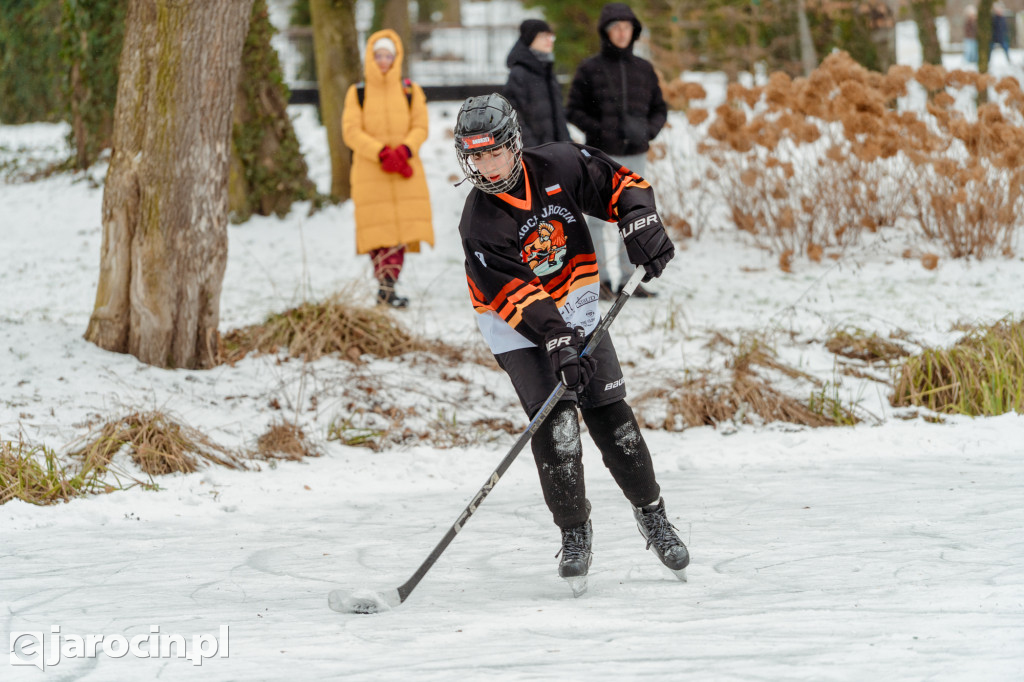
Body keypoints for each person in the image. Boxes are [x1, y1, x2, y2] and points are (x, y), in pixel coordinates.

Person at [453, 93, 687, 594]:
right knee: (556, 423)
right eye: (475, 157)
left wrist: (640, 220)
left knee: (611, 414)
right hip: (517, 327)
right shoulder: (479, 223)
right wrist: (556, 341)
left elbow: (621, 184)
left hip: (575, 306)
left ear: (514, 145)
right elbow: (514, 295)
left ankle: (653, 515)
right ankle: (574, 531)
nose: (487, 167)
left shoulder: (558, 163)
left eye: (494, 152)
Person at [567, 3, 668, 300]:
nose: (622, 33)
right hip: (601, 156)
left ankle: (629, 279)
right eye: (616, 27)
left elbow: (660, 108)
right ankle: (596, 281)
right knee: (596, 219)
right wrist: (599, 131)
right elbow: (572, 109)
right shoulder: (589, 69)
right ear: (606, 32)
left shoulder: (644, 70)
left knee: (634, 216)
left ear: (633, 32)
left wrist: (649, 130)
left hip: (636, 154)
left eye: (627, 27)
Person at [342, 30, 434, 308]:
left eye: (388, 56)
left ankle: (389, 287)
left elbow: (420, 125)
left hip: (405, 172)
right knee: (377, 233)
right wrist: (380, 152)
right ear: (370, 57)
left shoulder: (410, 91)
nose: (383, 61)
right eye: (378, 55)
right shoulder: (357, 93)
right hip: (372, 173)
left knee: (399, 234)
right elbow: (351, 131)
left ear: (396, 58)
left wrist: (404, 150)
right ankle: (384, 286)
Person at [503, 18, 571, 148]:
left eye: (550, 36)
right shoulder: (519, 73)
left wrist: (568, 145)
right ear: (530, 38)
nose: (549, 40)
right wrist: (534, 149)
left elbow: (558, 117)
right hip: (537, 154)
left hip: (558, 151)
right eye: (543, 36)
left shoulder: (547, 71)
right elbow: (514, 117)